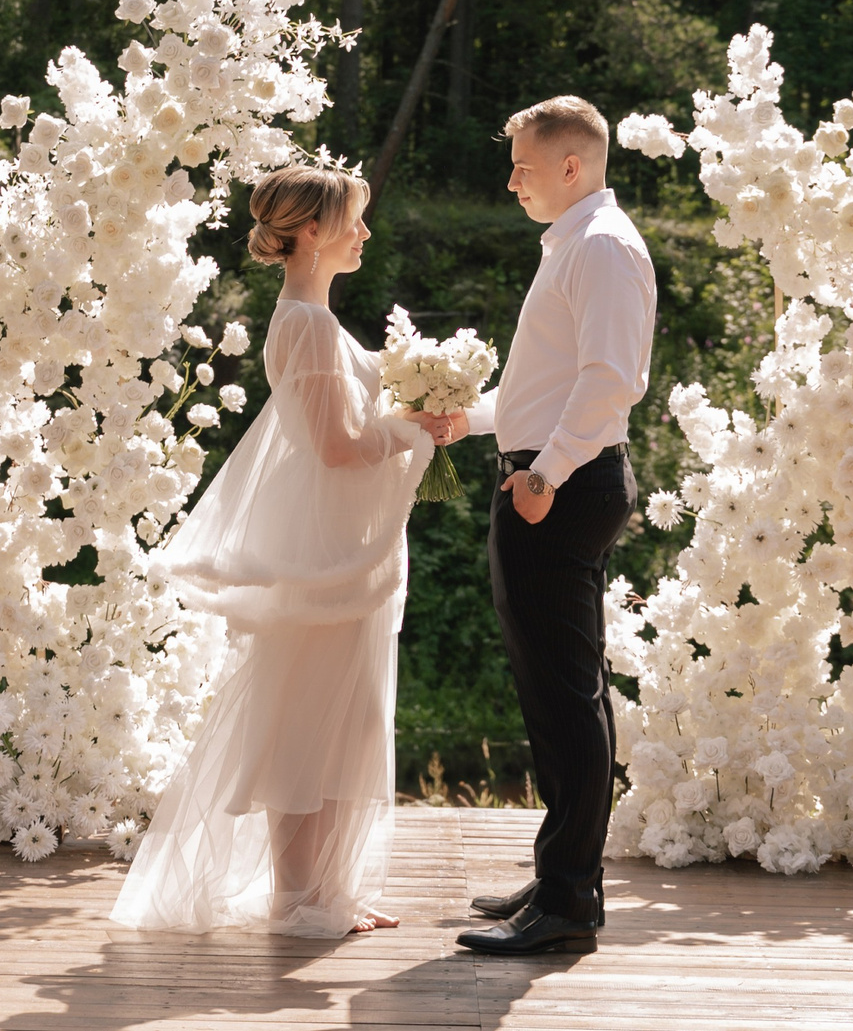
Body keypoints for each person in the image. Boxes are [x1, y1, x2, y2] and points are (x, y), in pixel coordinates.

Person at [109, 165, 443, 938]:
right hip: (321, 553)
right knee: (305, 723)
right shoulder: (309, 324)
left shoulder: (308, 317)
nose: (364, 232)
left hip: (332, 544)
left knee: (342, 721)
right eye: (355, 220)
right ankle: (296, 899)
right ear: (315, 232)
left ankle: (325, 891)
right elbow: (335, 445)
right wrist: (411, 427)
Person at [420, 95, 656, 957]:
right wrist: (471, 422)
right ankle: (563, 876)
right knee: (556, 689)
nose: (511, 178)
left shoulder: (600, 246)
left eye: (524, 163)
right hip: (548, 476)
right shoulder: (576, 243)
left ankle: (568, 899)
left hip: (562, 486)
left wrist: (545, 474)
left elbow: (608, 382)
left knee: (565, 693)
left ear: (572, 165)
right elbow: (545, 387)